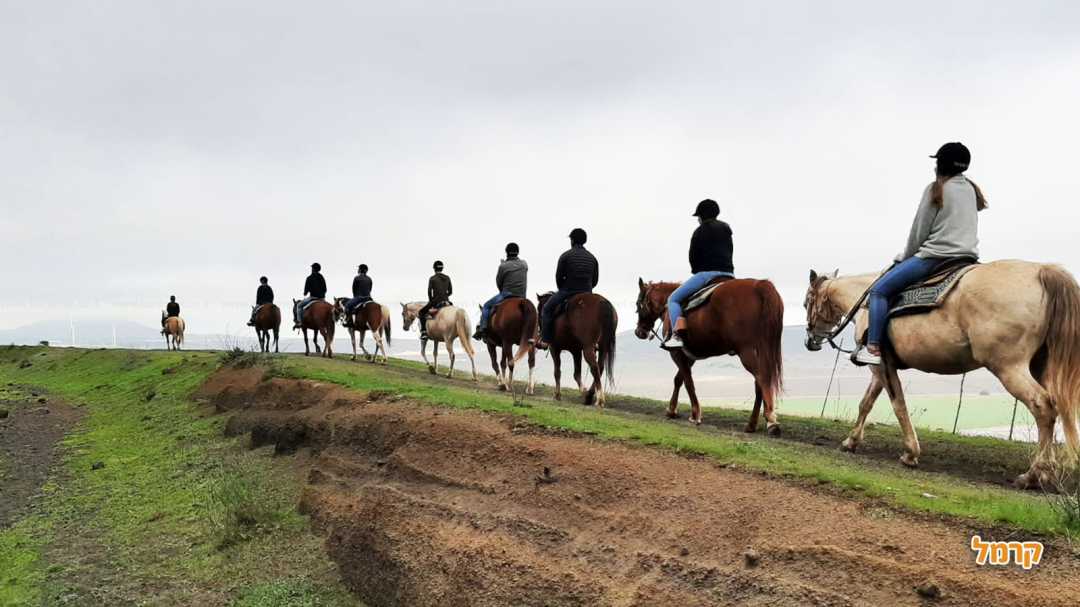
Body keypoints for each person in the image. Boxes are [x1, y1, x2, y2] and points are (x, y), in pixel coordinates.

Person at [853, 142, 988, 366]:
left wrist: (905, 257)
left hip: (934, 257)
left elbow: (919, 232)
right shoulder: (972, 190)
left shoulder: (936, 189)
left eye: (937, 162)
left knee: (879, 291)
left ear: (941, 165)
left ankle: (873, 348)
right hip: (967, 258)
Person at [660, 199, 735, 350]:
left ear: (702, 216)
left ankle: (677, 336)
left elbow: (693, 255)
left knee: (673, 299)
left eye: (698, 217)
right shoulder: (726, 229)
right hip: (729, 274)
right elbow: (730, 250)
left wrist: (696, 271)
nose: (698, 220)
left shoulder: (700, 231)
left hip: (707, 274)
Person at [536, 228, 599, 350]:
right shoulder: (592, 258)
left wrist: (562, 289)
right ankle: (595, 342)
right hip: (587, 291)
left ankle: (546, 340)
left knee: (547, 309)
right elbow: (595, 280)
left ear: (572, 240)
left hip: (568, 290)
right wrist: (587, 290)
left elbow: (558, 277)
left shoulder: (565, 256)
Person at [474, 243, 529, 340]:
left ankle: (483, 330)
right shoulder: (524, 264)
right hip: (522, 296)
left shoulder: (503, 266)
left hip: (507, 294)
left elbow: (499, 282)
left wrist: (503, 264)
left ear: (506, 252)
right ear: (518, 252)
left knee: (486, 306)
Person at [418, 261, 453, 339]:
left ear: (434, 269)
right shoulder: (447, 277)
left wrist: (431, 301)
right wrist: (444, 296)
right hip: (447, 301)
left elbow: (429, 292)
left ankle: (424, 332)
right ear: (442, 268)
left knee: (421, 312)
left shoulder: (432, 278)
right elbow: (450, 292)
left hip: (436, 301)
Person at [294, 262, 328, 328]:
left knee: (299, 305)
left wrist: (305, 292)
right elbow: (325, 289)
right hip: (322, 298)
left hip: (313, 298)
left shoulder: (309, 278)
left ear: (313, 269)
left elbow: (305, 292)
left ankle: (299, 322)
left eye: (312, 268)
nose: (311, 269)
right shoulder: (321, 277)